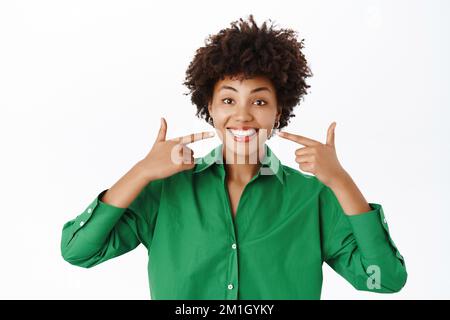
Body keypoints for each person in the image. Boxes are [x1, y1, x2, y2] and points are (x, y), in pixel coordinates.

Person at [61, 14, 407, 299]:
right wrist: (139, 173)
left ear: (278, 112)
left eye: (259, 101)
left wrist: (342, 183)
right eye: (228, 100)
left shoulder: (313, 198)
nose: (242, 115)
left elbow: (384, 279)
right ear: (208, 108)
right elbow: (79, 251)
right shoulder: (165, 190)